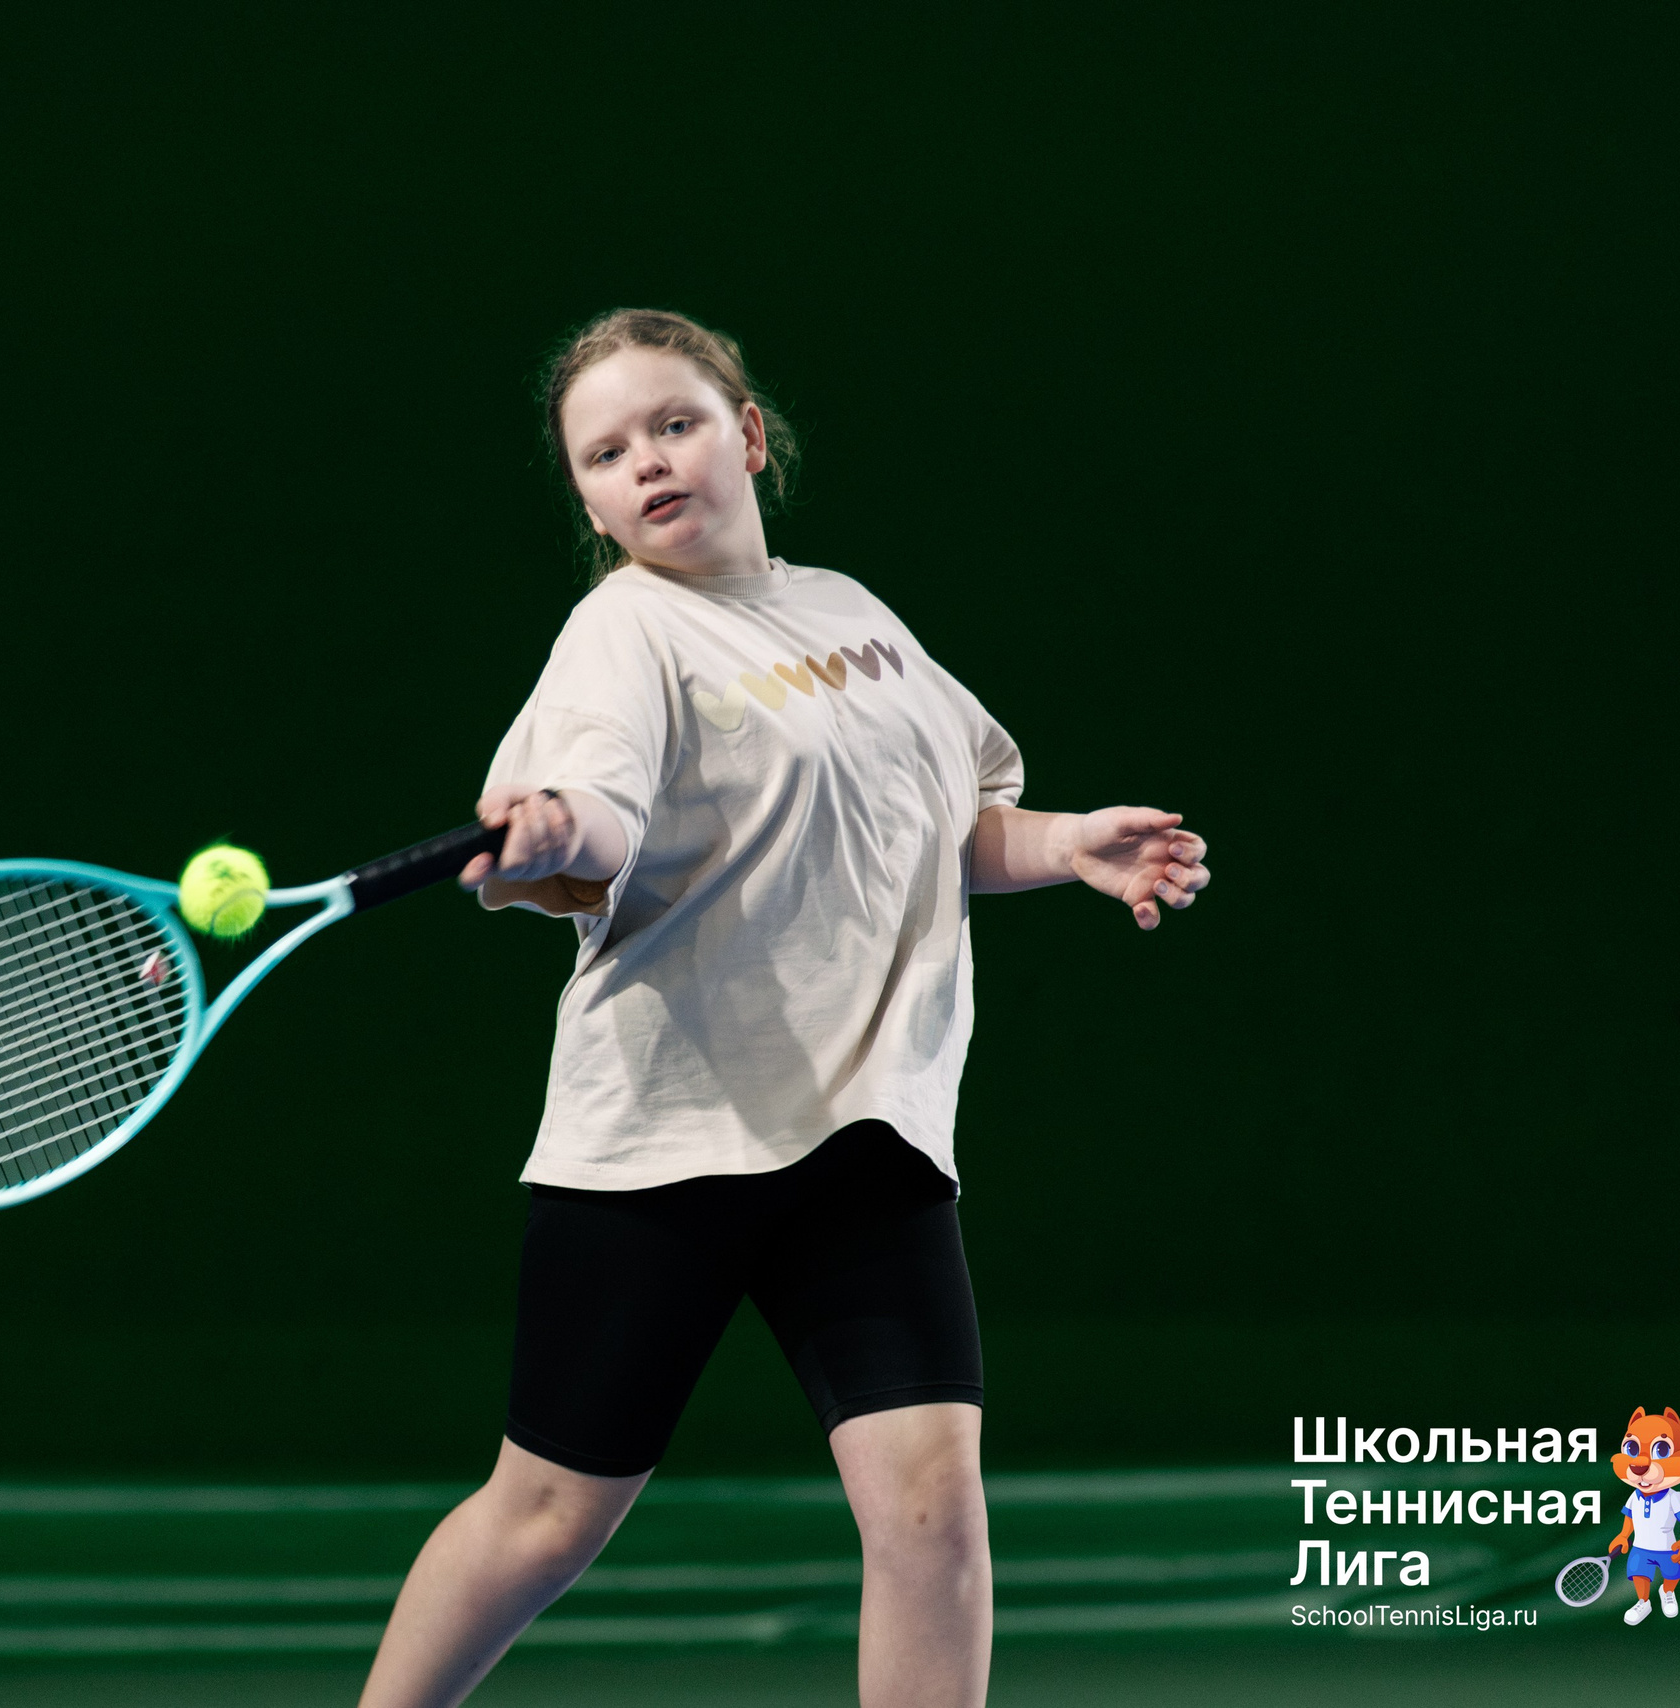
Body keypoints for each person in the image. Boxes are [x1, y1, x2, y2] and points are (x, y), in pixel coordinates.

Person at [355, 310, 1210, 1708]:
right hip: (664, 1148)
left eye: (674, 424)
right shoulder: (622, 634)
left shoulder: (851, 615)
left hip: (863, 1136)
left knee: (931, 1513)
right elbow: (604, 811)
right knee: (546, 1519)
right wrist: (556, 826)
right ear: (587, 496)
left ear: (748, 436)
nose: (647, 462)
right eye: (607, 451)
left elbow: (940, 822)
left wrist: (1059, 845)